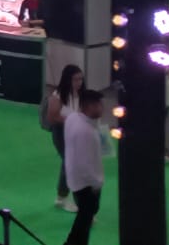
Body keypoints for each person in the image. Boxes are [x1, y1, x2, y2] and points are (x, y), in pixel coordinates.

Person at [63, 89, 106, 245]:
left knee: (84, 220)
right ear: (89, 106)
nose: (102, 108)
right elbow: (85, 165)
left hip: (75, 179)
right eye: (99, 105)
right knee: (84, 221)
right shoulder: (86, 132)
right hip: (86, 185)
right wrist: (97, 183)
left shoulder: (73, 118)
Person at [47, 65, 85, 211]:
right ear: (67, 79)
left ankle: (63, 197)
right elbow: (52, 117)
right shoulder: (57, 95)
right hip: (61, 132)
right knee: (69, 163)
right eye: (75, 79)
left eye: (80, 79)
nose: (79, 82)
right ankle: (63, 198)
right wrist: (73, 120)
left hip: (77, 132)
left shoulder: (81, 94)